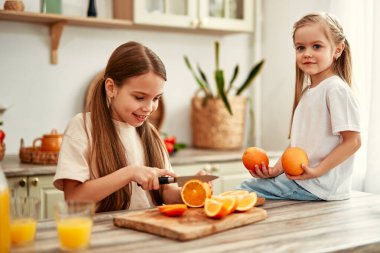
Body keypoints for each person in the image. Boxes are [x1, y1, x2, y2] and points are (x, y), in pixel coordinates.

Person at [54, 41, 201, 212]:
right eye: (139, 97)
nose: (149, 108)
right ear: (111, 88)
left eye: (156, 98)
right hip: (103, 234)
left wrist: (190, 192)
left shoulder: (152, 134)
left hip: (149, 230)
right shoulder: (83, 127)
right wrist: (129, 173)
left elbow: (166, 193)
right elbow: (74, 198)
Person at [237, 12, 361, 201]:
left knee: (242, 190)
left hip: (317, 186)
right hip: (306, 182)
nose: (307, 53)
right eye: (300, 47)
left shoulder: (335, 89)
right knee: (245, 192)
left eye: (316, 46)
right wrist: (276, 169)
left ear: (337, 49)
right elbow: (298, 144)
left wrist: (317, 171)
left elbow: (353, 141)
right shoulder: (309, 92)